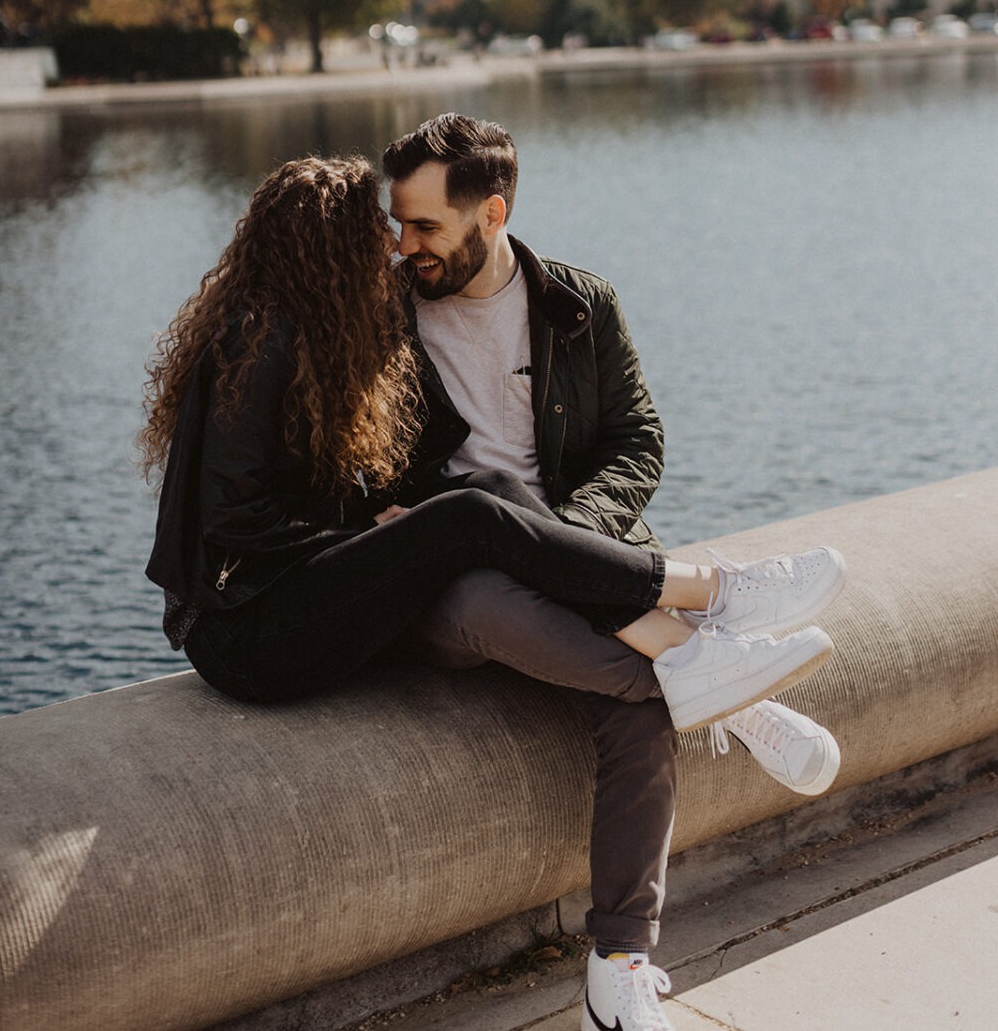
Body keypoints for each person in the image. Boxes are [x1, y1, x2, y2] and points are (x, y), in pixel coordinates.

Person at [141, 155, 840, 1031]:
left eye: (408, 229)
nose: (395, 249)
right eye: (380, 232)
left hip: (313, 596)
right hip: (249, 632)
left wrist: (385, 517)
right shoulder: (259, 334)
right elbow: (236, 526)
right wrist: (379, 537)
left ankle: (628, 938)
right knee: (474, 510)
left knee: (496, 503)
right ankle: (710, 611)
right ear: (329, 245)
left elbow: (335, 482)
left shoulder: (325, 327)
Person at [382, 115, 846, 1031]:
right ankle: (733, 691)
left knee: (639, 713)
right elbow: (362, 469)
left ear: (493, 211)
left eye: (426, 226)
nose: (406, 245)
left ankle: (620, 963)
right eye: (399, 223)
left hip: (583, 571)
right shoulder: (383, 317)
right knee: (494, 497)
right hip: (451, 588)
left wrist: (565, 536)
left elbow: (638, 440)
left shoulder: (578, 304)